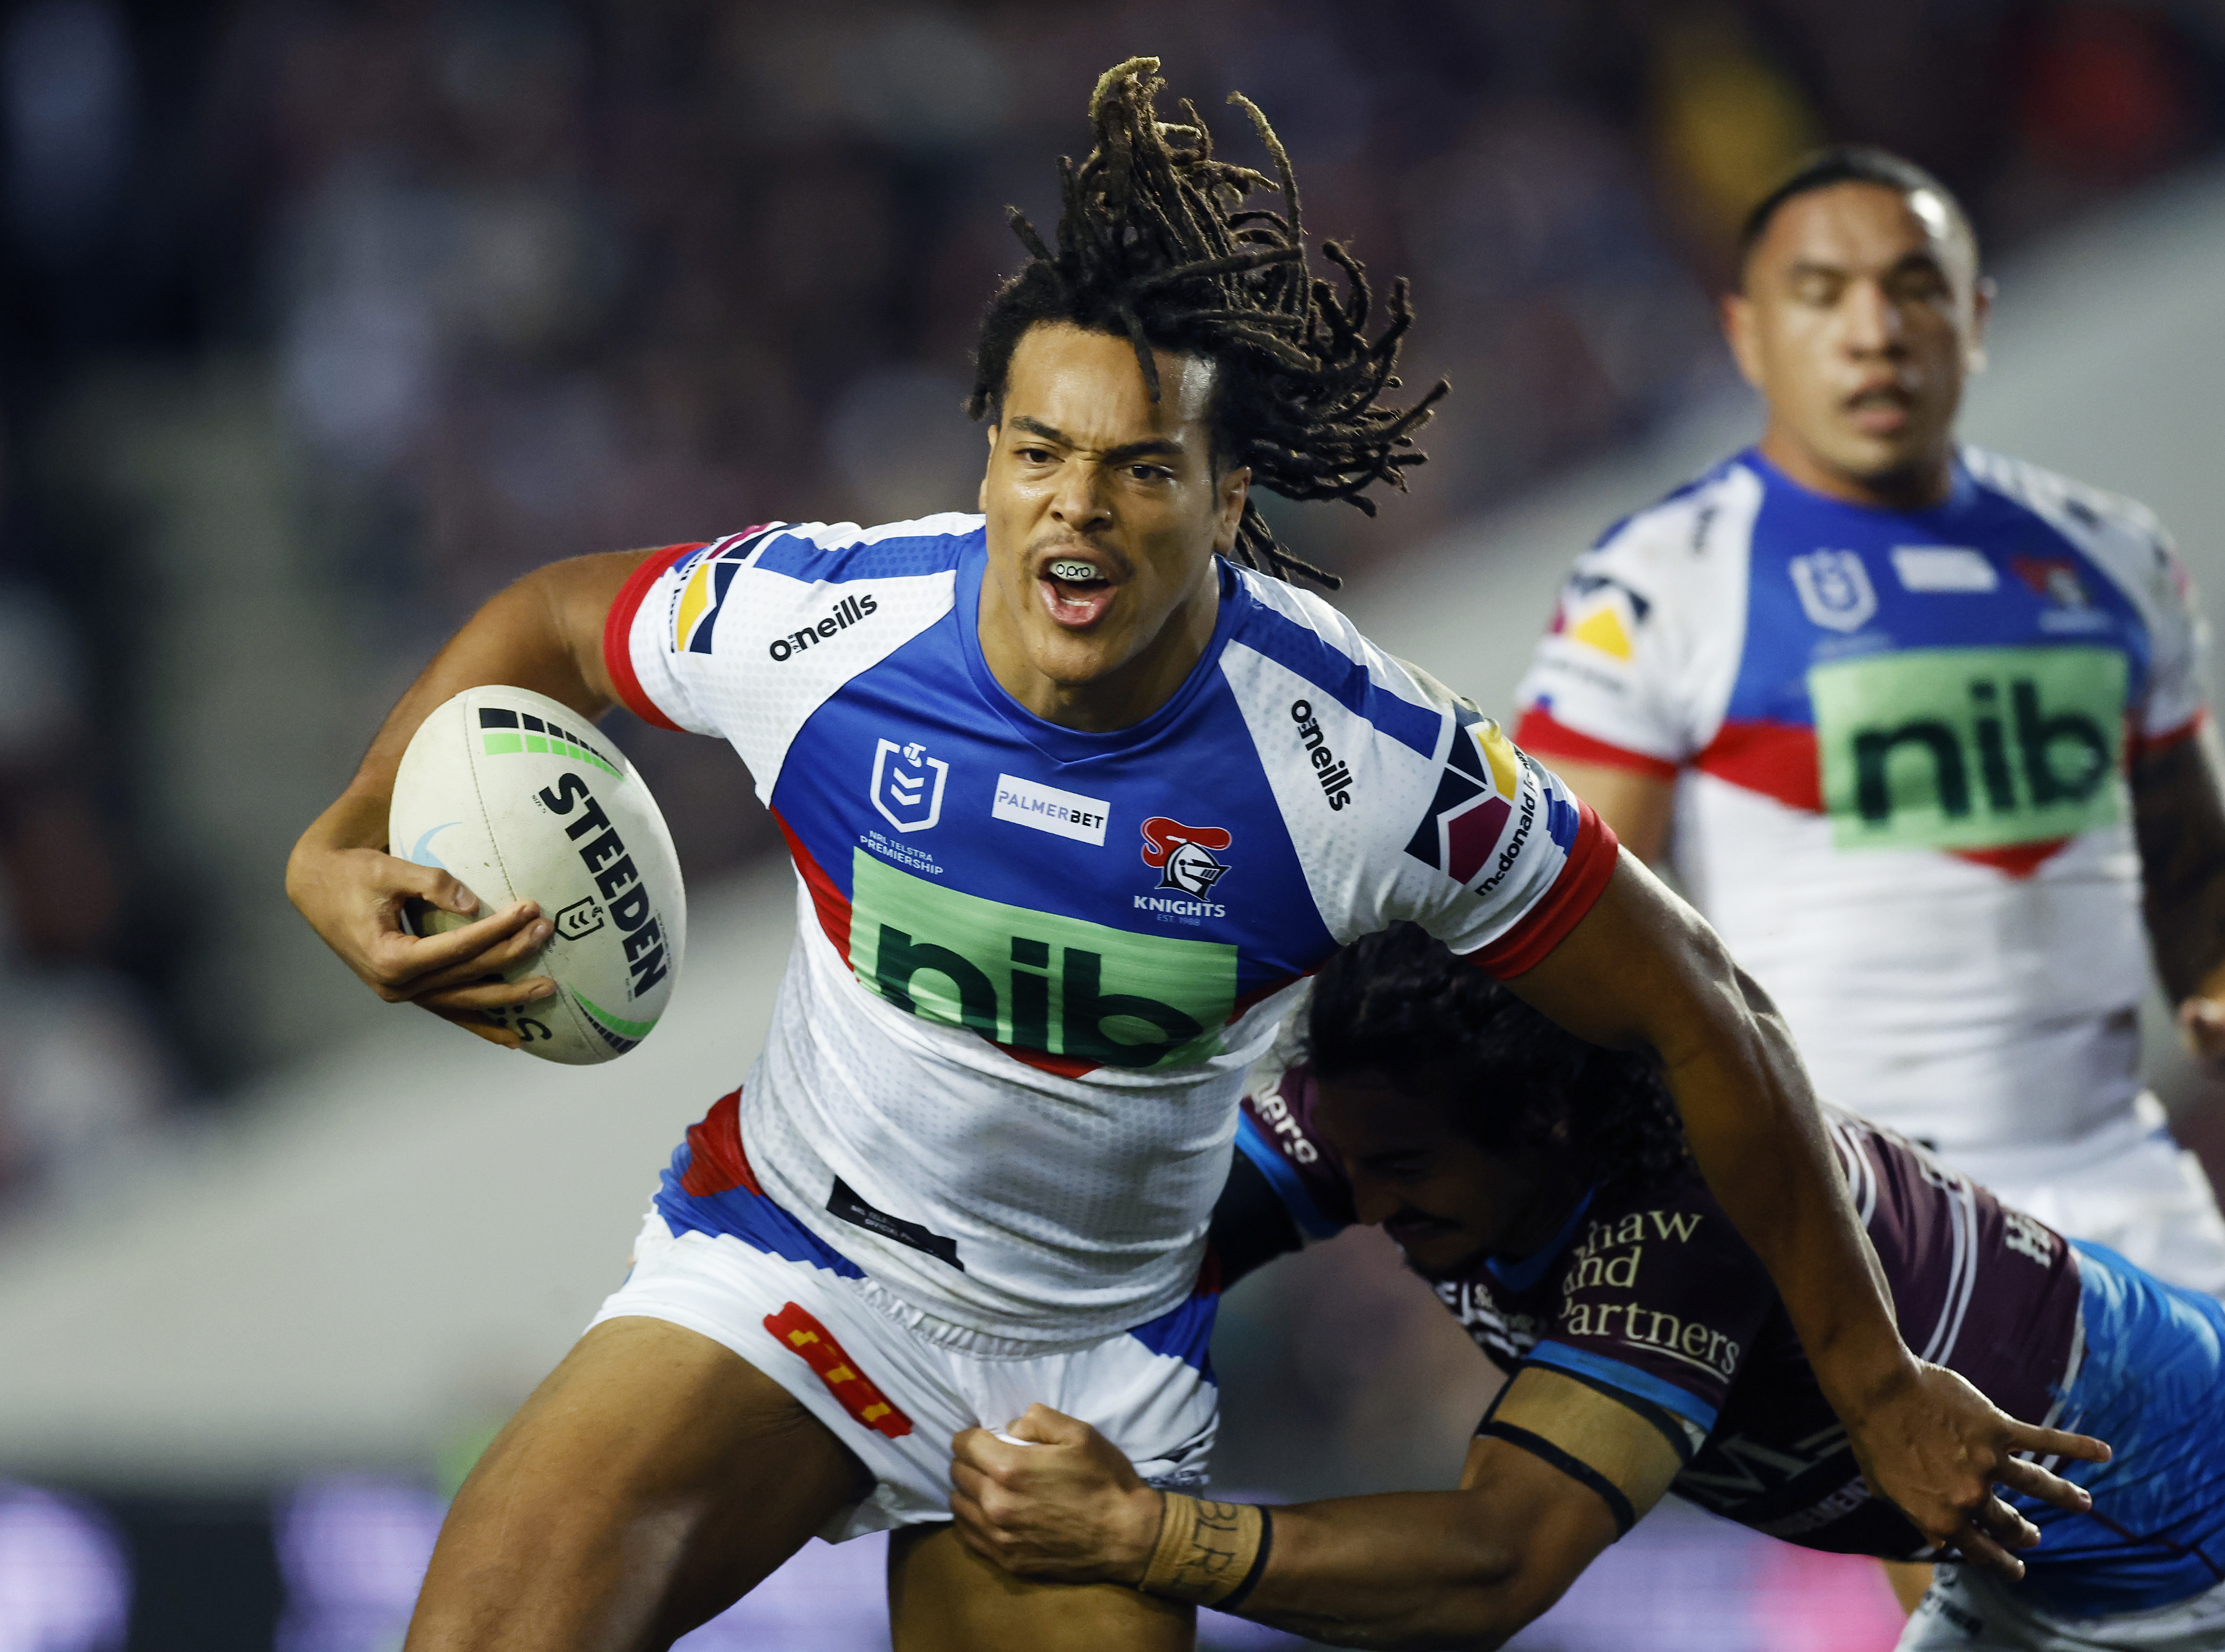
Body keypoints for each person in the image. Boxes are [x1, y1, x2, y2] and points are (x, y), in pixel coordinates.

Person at [282, 66, 2091, 1652]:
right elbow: (552, 620)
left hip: (1090, 1370)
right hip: (792, 1269)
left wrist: (1877, 1382)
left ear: (1227, 503)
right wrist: (347, 836)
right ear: (985, 465)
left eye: (1140, 468)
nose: (1077, 503)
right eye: (1037, 451)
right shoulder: (828, 624)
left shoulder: (1364, 762)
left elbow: (1707, 1012)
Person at [949, 925, 2225, 1651]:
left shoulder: (1691, 1201)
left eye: (1403, 1170)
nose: (1368, 1203)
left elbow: (1497, 1561)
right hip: (2032, 1593)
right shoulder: (1403, 1108)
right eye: (1349, 1165)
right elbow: (1107, 1248)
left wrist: (1142, 1533)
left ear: (1540, 1126)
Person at [1510, 149, 2225, 1366]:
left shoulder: (2113, 558)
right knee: (2018, 1556)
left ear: (1976, 317)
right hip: (1877, 1225)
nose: (1872, 332)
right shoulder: (1654, 585)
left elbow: (2200, 845)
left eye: (1913, 288)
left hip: (2131, 1186)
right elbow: (1559, 928)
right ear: (1744, 334)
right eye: (1820, 293)